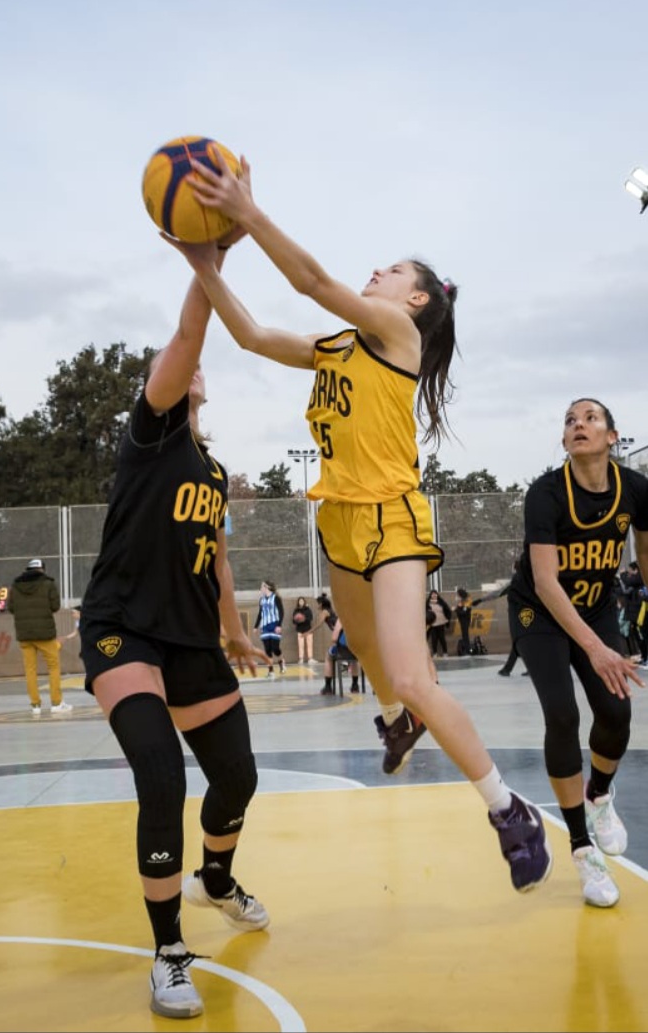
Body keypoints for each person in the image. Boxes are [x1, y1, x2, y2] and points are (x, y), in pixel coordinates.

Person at [165, 151, 553, 894]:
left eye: (392, 271)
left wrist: (247, 214)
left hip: (393, 519)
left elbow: (311, 282)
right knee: (373, 660)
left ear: (414, 301)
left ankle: (508, 811)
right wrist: (203, 260)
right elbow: (247, 334)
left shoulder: (392, 336)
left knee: (411, 670)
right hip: (339, 521)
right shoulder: (334, 348)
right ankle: (395, 719)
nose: (376, 272)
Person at [78, 234, 270, 1021]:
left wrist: (233, 631)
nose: (186, 361)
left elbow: (217, 561)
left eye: (189, 362)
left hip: (194, 639)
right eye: (173, 357)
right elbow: (192, 333)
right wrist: (208, 261)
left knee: (239, 780)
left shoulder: (213, 472)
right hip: (123, 628)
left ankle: (215, 880)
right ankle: (168, 952)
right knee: (162, 776)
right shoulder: (150, 434)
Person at [506, 398, 648, 908]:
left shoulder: (635, 490)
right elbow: (545, 582)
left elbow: (646, 554)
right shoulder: (545, 494)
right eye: (569, 420)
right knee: (562, 716)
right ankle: (583, 848)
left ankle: (599, 795)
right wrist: (597, 651)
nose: (578, 424)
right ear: (565, 442)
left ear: (612, 437)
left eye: (590, 418)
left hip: (596, 607)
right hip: (539, 612)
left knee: (615, 710)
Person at [7, 558, 72, 716]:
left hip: (25, 635)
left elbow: (11, 608)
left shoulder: (15, 586)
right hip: (45, 634)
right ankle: (56, 703)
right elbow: (55, 607)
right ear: (41, 569)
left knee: (30, 670)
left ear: (28, 569)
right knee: (53, 667)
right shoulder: (48, 584)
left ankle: (35, 705)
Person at [320, 616, 360, 695]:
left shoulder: (342, 618)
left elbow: (334, 638)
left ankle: (328, 687)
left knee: (328, 657)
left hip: (342, 652)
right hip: (358, 651)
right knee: (355, 660)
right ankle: (355, 686)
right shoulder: (361, 617)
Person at [254, 579, 286, 677]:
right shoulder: (261, 599)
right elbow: (260, 613)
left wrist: (279, 625)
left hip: (274, 625)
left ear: (267, 587)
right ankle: (271, 671)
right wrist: (255, 626)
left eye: (262, 586)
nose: (260, 588)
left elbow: (281, 612)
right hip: (265, 627)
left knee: (275, 649)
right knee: (267, 650)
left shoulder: (276, 598)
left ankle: (281, 663)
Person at [426, 589, 452, 657]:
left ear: (437, 595)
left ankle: (445, 652)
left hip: (441, 622)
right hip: (433, 623)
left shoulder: (441, 602)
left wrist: (447, 619)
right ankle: (435, 653)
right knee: (434, 639)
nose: (434, 595)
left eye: (435, 594)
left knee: (442, 638)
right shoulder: (428, 603)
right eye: (432, 594)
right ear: (430, 595)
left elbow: (447, 610)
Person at [292, 595, 316, 663]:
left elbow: (310, 618)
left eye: (302, 601)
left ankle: (310, 658)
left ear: (304, 602)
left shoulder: (308, 609)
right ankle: (301, 658)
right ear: (298, 602)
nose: (301, 602)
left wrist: (303, 619)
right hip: (300, 630)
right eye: (300, 601)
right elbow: (293, 621)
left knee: (309, 644)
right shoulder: (296, 610)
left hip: (308, 629)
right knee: (300, 645)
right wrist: (298, 620)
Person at [453, 588, 474, 656]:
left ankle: (468, 651)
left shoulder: (467, 602)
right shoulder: (461, 602)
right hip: (462, 621)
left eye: (458, 595)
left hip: (465, 621)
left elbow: (463, 613)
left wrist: (456, 609)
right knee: (464, 635)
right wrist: (458, 607)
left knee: (465, 636)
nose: (457, 596)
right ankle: (467, 650)